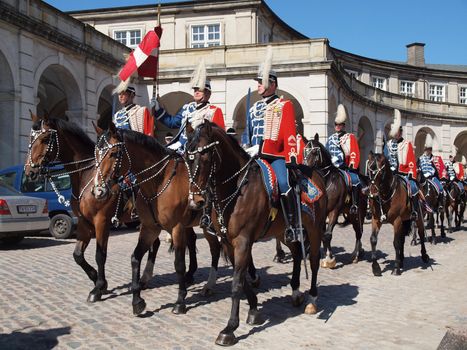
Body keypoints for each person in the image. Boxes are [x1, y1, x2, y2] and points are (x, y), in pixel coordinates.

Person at [241, 46, 300, 243]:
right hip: (253, 156)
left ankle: (292, 225)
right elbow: (246, 133)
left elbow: (289, 136)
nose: (258, 85)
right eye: (258, 82)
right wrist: (244, 146)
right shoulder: (253, 108)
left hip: (274, 156)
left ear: (272, 84)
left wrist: (290, 158)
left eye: (261, 82)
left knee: (283, 183)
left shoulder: (284, 105)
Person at [152, 59, 225, 153]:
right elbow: (172, 122)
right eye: (195, 90)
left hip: (199, 151)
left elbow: (220, 137)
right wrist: (158, 110)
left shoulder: (213, 111)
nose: (197, 92)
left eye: (200, 90)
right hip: (180, 147)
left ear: (208, 94)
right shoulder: (187, 108)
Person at [384, 108, 423, 219]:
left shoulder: (406, 144)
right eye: (396, 131)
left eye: (399, 131)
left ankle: (414, 211)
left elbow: (411, 160)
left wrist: (411, 173)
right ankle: (380, 210)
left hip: (403, 173)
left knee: (414, 187)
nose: (397, 133)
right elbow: (385, 158)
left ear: (401, 132)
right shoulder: (388, 144)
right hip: (390, 174)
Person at [325, 104, 363, 214]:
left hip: (345, 168)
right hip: (332, 167)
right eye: (336, 124)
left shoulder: (350, 137)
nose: (337, 126)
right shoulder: (330, 139)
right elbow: (327, 152)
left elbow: (355, 153)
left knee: (355, 180)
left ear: (343, 125)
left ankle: (355, 205)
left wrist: (351, 166)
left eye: (339, 124)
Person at [418, 134, 444, 211]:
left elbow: (438, 169)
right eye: (427, 149)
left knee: (440, 188)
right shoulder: (420, 158)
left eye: (430, 149)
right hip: (423, 178)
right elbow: (417, 167)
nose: (429, 151)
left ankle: (440, 205)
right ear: (425, 149)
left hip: (432, 178)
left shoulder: (435, 159)